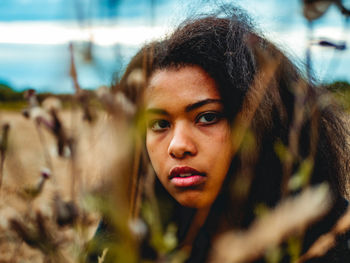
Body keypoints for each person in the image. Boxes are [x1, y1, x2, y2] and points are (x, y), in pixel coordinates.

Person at [89, 7, 350, 263]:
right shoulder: (128, 227)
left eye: (207, 117)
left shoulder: (330, 237)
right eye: (159, 123)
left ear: (263, 122)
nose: (178, 146)